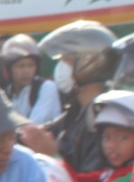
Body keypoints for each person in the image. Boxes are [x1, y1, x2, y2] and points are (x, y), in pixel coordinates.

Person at [38, 20, 118, 173]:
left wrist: (54, 157)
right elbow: (42, 132)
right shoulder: (76, 109)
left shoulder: (103, 119)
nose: (60, 68)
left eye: (66, 60)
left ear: (90, 63)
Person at [0, 34, 61, 124]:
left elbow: (34, 124)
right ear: (9, 69)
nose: (26, 71)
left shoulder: (47, 87)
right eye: (20, 66)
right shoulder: (8, 93)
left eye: (30, 65)